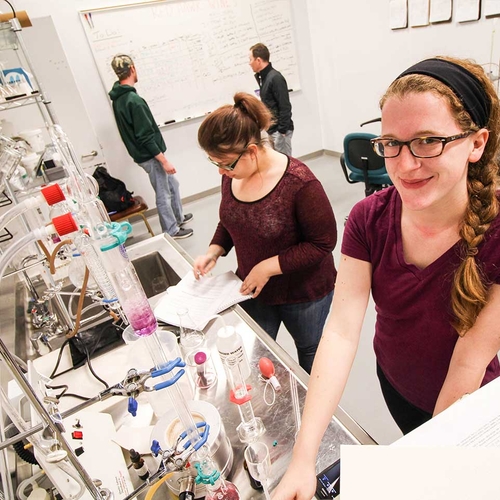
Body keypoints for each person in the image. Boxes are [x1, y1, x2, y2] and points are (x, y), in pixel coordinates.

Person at [273, 56, 500, 500]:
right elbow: (339, 331)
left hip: (469, 403)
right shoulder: (368, 219)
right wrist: (304, 459)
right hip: (395, 383)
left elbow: (469, 362)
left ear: (476, 143)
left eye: (428, 141)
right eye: (391, 144)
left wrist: (428, 471)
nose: (405, 164)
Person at [193, 92, 337, 373]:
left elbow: (322, 243)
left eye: (226, 164)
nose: (222, 172)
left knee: (309, 353)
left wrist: (267, 268)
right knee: (256, 350)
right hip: (254, 288)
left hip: (304, 293)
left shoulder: (299, 183)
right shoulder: (235, 174)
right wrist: (214, 250)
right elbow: (232, 219)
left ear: (251, 152)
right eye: (216, 164)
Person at [109, 54, 193, 239]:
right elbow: (145, 136)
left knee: (173, 185)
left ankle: (178, 218)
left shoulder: (119, 99)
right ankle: (171, 230)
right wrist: (163, 161)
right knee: (164, 193)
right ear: (132, 69)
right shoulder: (133, 100)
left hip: (143, 154)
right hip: (150, 156)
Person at [249, 43, 294, 156]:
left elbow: (285, 106)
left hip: (279, 131)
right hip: (273, 130)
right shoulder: (264, 78)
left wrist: (282, 131)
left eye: (250, 59)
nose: (249, 63)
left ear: (258, 60)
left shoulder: (275, 77)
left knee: (286, 164)